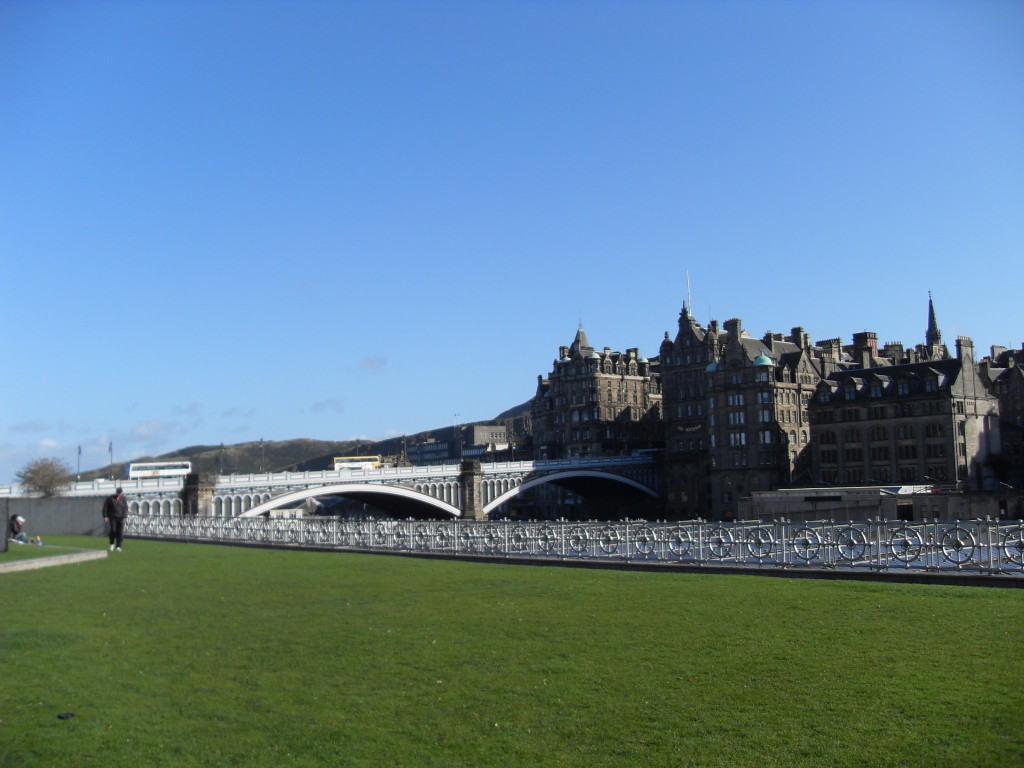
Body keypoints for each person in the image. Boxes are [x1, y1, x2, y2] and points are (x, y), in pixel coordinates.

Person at [102, 487, 129, 552]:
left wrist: (124, 516)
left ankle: (118, 546)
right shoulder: (110, 498)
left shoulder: (123, 499)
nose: (119, 494)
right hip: (112, 517)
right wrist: (105, 516)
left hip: (121, 517)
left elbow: (125, 508)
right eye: (118, 492)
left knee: (120, 532)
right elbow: (105, 507)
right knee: (113, 530)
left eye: (120, 493)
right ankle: (111, 544)